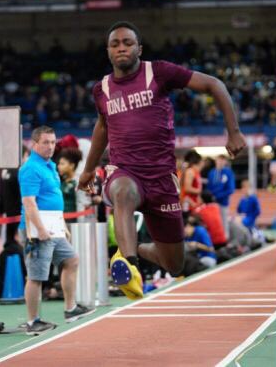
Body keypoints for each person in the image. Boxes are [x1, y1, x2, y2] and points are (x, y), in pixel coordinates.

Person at [77, 21, 246, 300]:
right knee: (123, 191)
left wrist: (234, 131)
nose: (121, 48)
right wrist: (87, 170)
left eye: (128, 43)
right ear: (108, 51)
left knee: (173, 263)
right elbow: (103, 127)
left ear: (139, 48)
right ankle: (130, 265)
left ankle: (131, 250)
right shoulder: (102, 89)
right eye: (115, 44)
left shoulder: (159, 72)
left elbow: (214, 84)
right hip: (124, 170)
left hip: (162, 179)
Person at [19, 126, 94, 335]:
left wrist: (61, 226)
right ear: (34, 144)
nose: (50, 146)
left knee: (71, 260)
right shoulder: (30, 168)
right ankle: (33, 321)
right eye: (45, 142)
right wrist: (41, 230)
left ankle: (70, 309)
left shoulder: (50, 165)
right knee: (36, 276)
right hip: (38, 228)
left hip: (54, 227)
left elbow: (53, 199)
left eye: (53, 142)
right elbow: (29, 203)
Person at [206, 154, 235, 238]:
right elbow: (209, 187)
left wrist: (218, 196)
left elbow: (230, 189)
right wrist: (210, 197)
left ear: (225, 162)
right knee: (213, 223)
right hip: (212, 203)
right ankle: (215, 240)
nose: (220, 162)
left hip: (223, 202)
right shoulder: (212, 172)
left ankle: (225, 240)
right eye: (219, 160)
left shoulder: (228, 172)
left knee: (224, 222)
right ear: (216, 161)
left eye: (223, 160)